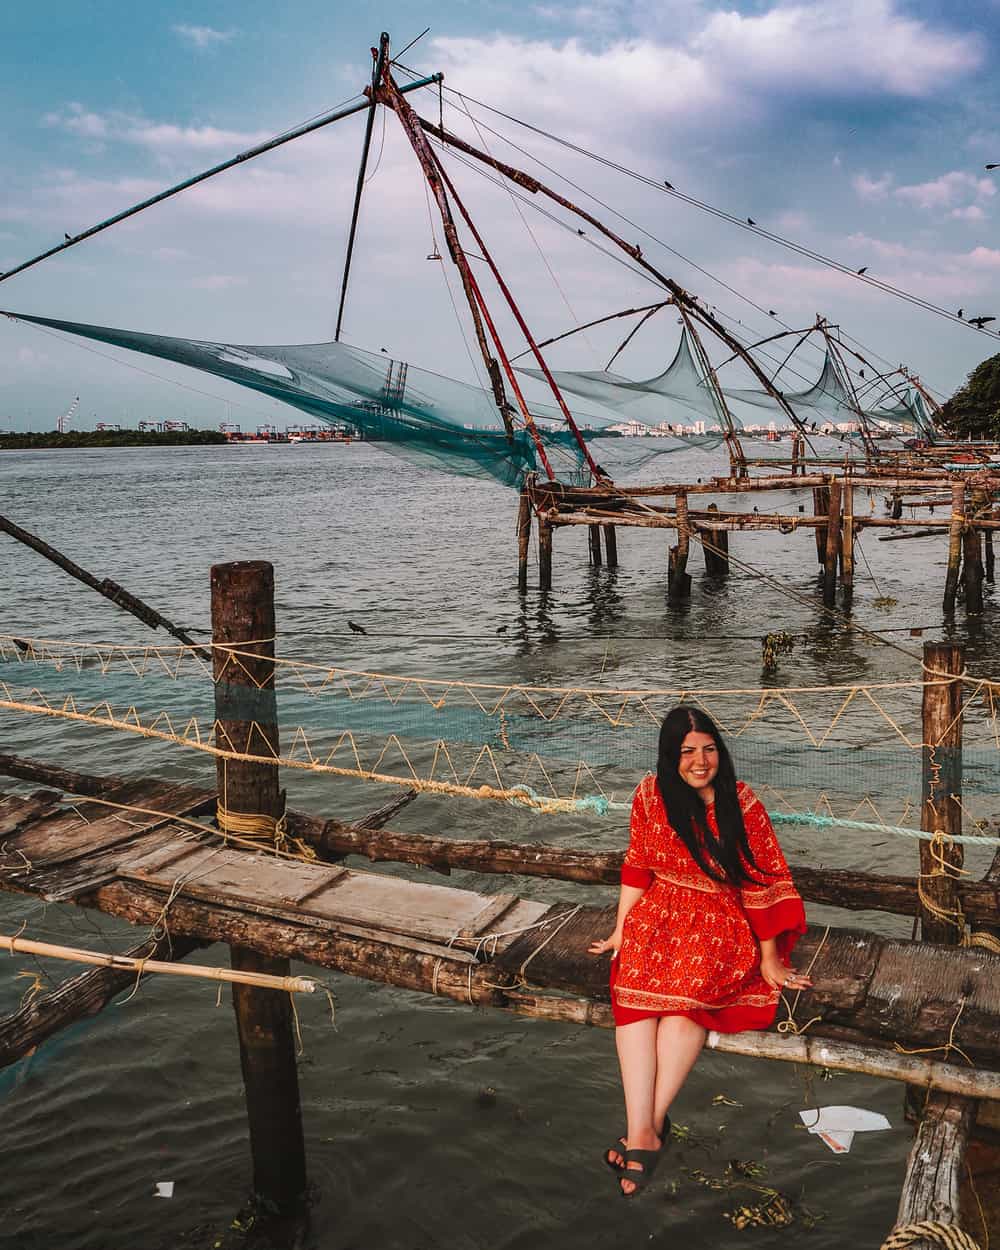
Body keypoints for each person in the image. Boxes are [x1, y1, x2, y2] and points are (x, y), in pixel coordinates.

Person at [589, 706, 809, 1197]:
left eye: (709, 749)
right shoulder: (650, 794)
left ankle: (645, 1131)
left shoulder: (740, 801)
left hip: (720, 917)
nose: (700, 761)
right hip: (660, 911)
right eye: (688, 751)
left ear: (720, 752)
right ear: (672, 755)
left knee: (687, 999)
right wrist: (623, 930)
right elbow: (638, 866)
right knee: (634, 994)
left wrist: (770, 957)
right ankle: (645, 1127)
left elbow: (761, 879)